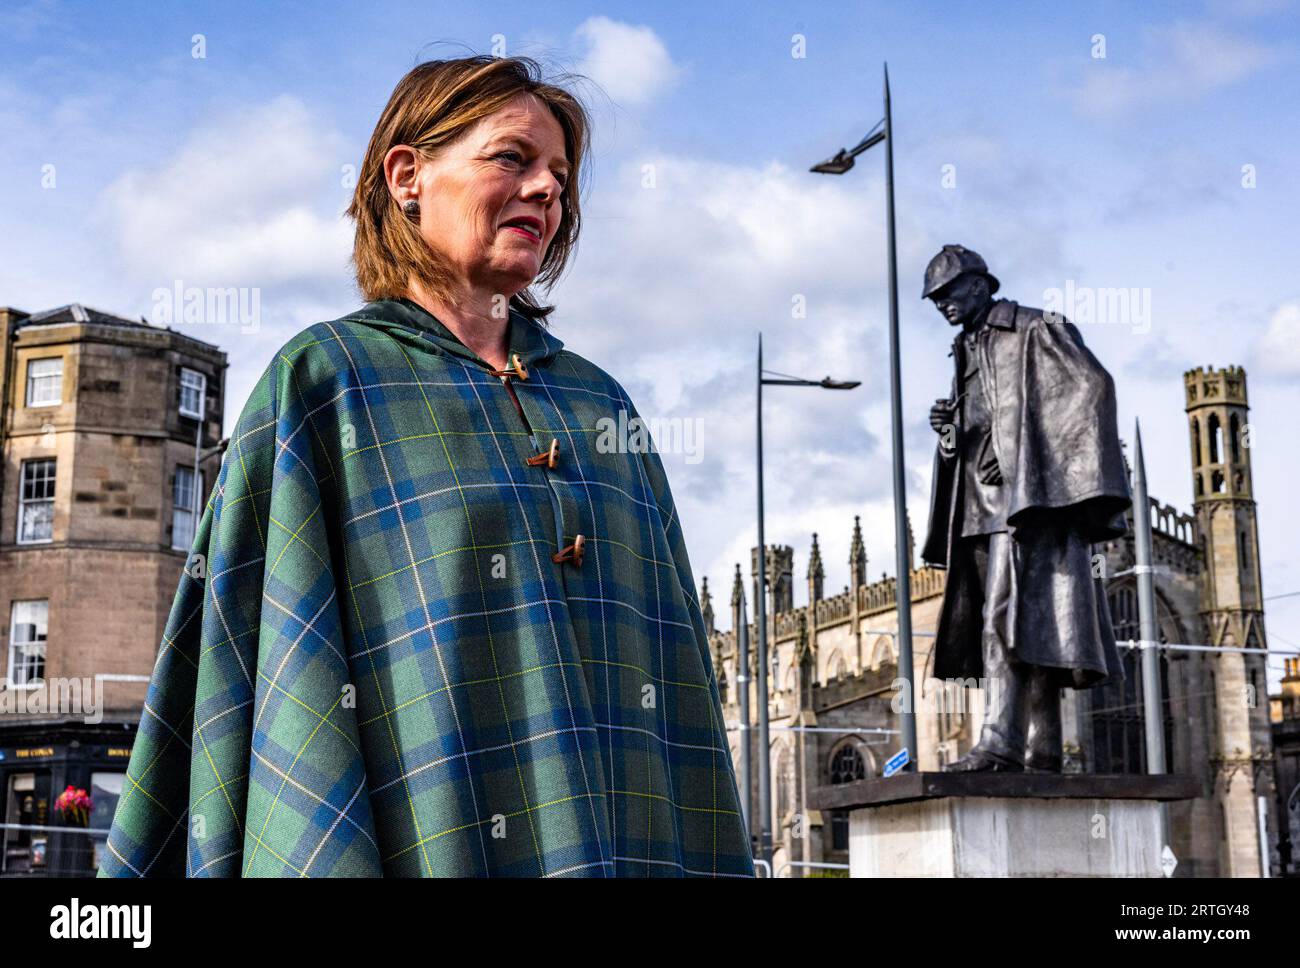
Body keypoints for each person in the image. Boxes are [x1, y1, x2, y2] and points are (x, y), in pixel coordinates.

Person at [100, 56, 753, 878]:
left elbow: (674, 691)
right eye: (512, 158)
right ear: (407, 175)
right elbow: (256, 680)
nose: (549, 190)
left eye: (561, 175)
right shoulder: (325, 382)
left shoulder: (601, 406)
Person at [920, 244, 1131, 773]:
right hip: (977, 506)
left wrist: (1020, 455)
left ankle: (999, 743)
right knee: (1029, 622)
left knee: (1003, 618)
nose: (942, 305)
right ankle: (1041, 748)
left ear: (978, 284)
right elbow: (980, 426)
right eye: (935, 300)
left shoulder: (1034, 328)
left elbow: (1092, 389)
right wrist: (952, 434)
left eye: (948, 294)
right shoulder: (967, 347)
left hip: (1024, 507)